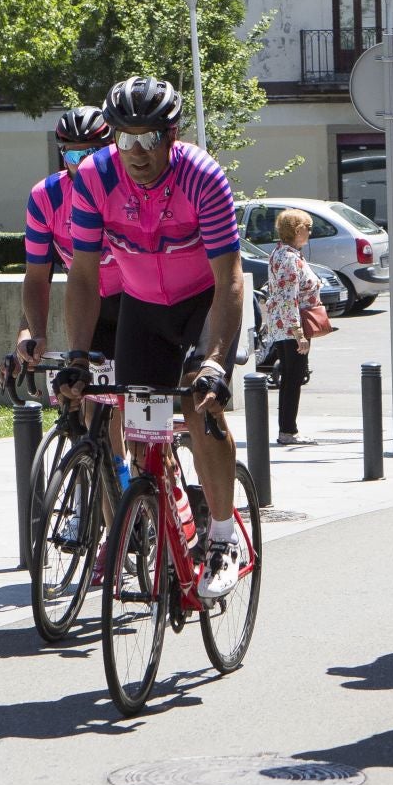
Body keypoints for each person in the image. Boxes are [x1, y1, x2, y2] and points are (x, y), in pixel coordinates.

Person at [56, 75, 246, 599]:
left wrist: (214, 360)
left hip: (202, 306)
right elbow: (85, 275)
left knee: (201, 402)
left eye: (149, 139)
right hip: (143, 309)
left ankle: (224, 537)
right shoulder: (96, 177)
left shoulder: (202, 176)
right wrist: (76, 354)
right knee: (140, 427)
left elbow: (230, 275)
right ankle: (161, 517)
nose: (137, 152)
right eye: (125, 139)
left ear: (173, 133)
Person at [8, 107, 118, 382]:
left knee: (125, 403)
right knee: (89, 404)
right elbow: (36, 277)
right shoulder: (46, 196)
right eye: (73, 155)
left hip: (138, 301)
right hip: (89, 301)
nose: (82, 164)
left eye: (91, 154)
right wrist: (34, 332)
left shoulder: (126, 187)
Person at [263, 209, 324, 445]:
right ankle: (288, 431)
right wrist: (300, 335)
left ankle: (287, 429)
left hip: (282, 326)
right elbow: (290, 298)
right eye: (308, 228)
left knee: (290, 377)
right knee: (293, 378)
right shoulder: (289, 258)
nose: (310, 232)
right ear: (297, 230)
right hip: (291, 328)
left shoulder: (280, 253)